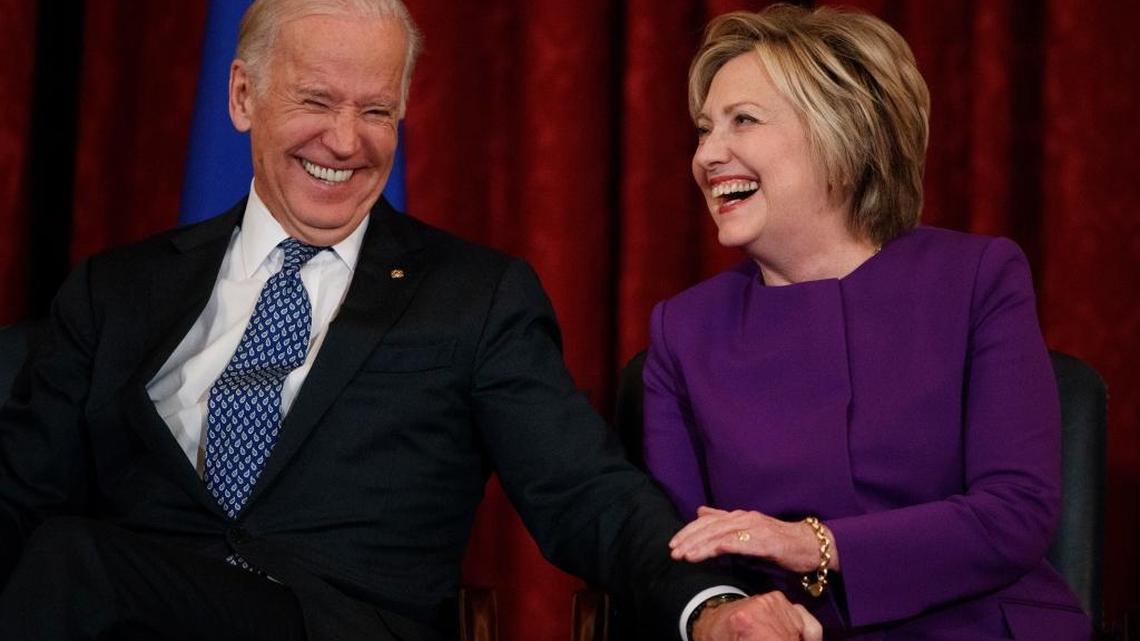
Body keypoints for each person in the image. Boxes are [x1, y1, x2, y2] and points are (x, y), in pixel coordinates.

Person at [0, 1, 822, 640]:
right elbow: (19, 493)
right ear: (243, 96)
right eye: (317, 100)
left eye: (378, 111)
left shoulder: (473, 296)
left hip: (333, 625)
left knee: (72, 563)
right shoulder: (118, 291)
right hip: (118, 616)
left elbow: (583, 489)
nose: (346, 140)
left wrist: (712, 606)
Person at [644, 5, 1093, 640]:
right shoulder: (682, 331)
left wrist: (813, 544)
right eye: (702, 131)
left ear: (844, 134)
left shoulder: (976, 278)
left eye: (742, 121)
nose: (707, 156)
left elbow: (1015, 512)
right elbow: (685, 553)